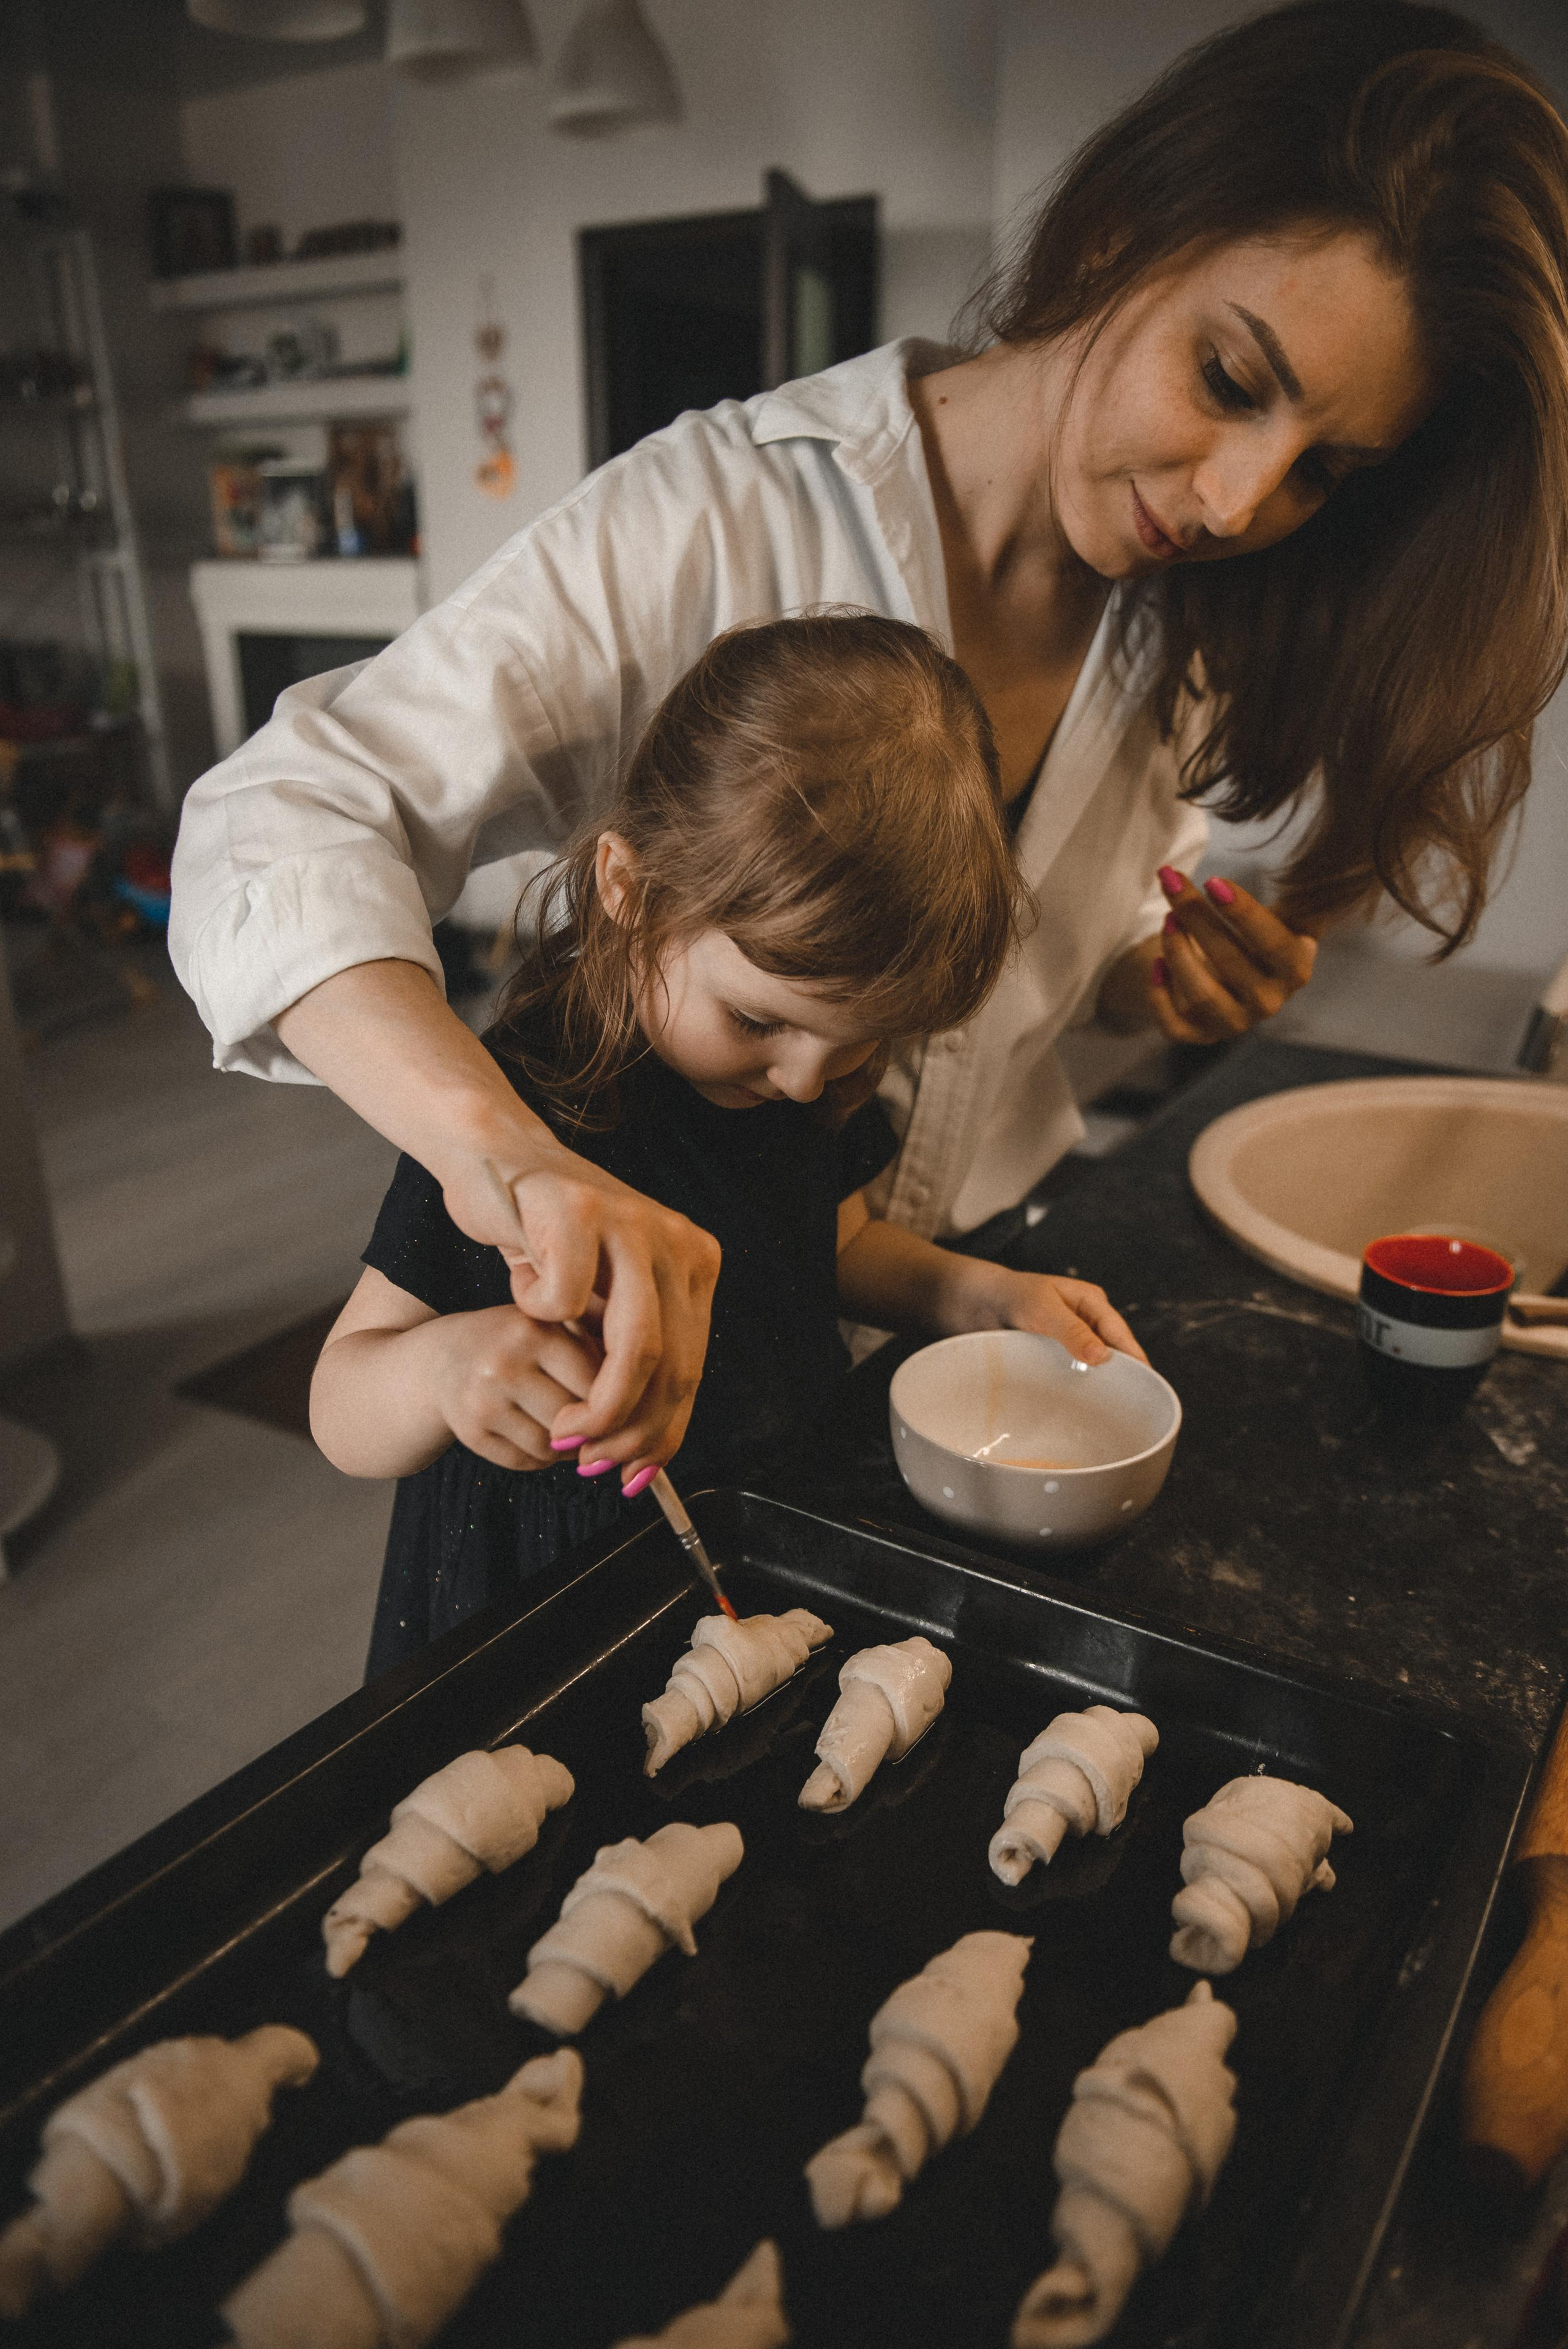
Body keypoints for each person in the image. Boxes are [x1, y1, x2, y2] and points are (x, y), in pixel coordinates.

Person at [171, 0, 1568, 1491]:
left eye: (1321, 470)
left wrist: (1146, 981)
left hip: (934, 1308)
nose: (1235, 503)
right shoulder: (717, 517)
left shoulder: (1190, 638)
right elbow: (284, 817)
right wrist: (499, 1153)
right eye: (1226, 381)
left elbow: (1043, 970)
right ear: (1116, 234)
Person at [309, 615, 1144, 1673]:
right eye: (757, 1020)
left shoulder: (806, 1072)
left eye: (860, 1040)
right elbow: (340, 1401)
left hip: (764, 1532)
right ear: (630, 890)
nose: (803, 1081)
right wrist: (443, 1373)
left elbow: (834, 1244)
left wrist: (979, 1296)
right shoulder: (521, 1101)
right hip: (551, 1596)